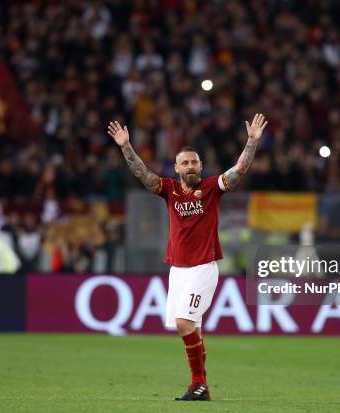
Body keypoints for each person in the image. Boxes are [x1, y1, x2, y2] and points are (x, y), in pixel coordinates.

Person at [107, 114, 268, 401]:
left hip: (203, 268)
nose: (190, 166)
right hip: (178, 271)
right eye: (185, 162)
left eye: (194, 162)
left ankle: (198, 383)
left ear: (201, 166)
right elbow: (143, 174)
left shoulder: (211, 189)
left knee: (184, 323)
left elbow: (239, 170)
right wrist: (126, 147)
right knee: (191, 328)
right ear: (177, 168)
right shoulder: (169, 190)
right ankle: (201, 389)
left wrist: (252, 142)